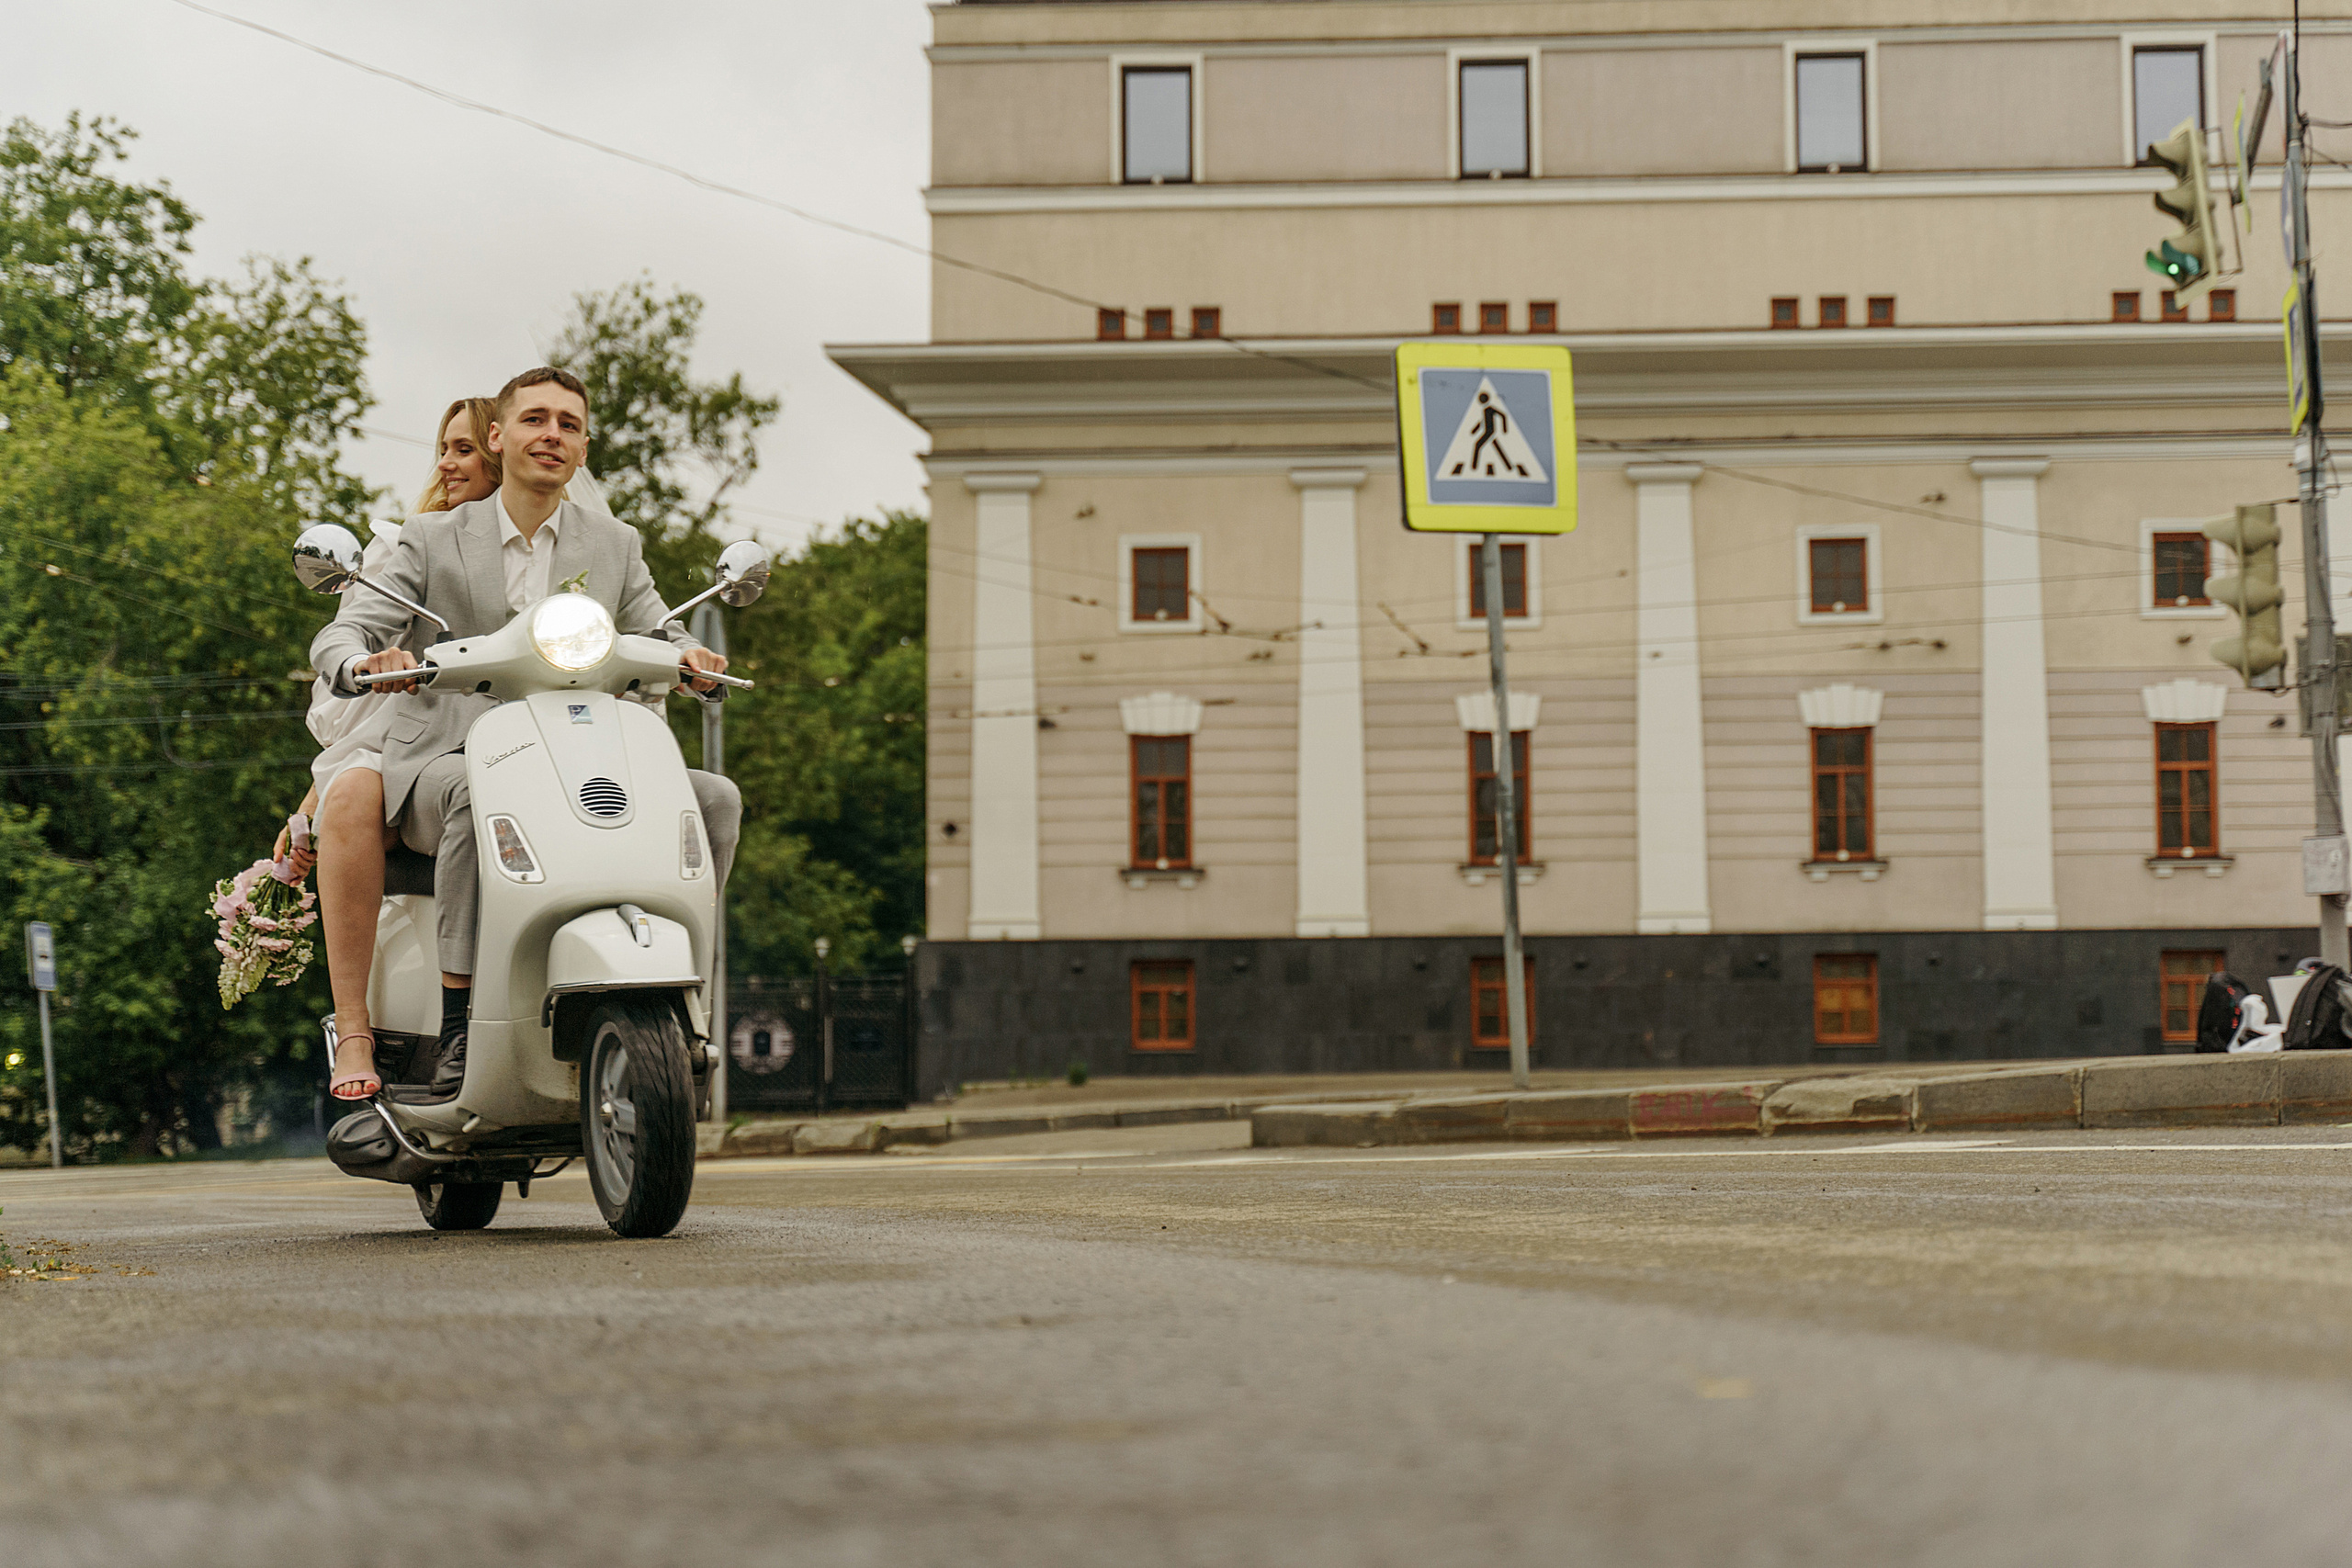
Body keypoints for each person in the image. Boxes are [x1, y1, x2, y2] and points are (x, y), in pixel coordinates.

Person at [308, 367, 741, 1096]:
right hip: (446, 755)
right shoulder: (432, 537)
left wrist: (688, 656)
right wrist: (356, 660)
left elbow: (656, 626)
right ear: (500, 435)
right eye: (536, 419)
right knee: (481, 796)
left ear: (584, 447)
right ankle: (455, 1021)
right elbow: (348, 627)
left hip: (576, 753)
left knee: (717, 797)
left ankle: (680, 996)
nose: (552, 435)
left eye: (569, 425)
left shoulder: (614, 543)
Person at [280, 398, 503, 1101]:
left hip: (533, 734)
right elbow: (356, 664)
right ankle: (356, 1026)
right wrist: (314, 797)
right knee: (349, 795)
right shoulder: (414, 543)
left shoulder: (575, 545)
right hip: (419, 737)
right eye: (445, 448)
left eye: (463, 449)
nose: (445, 462)